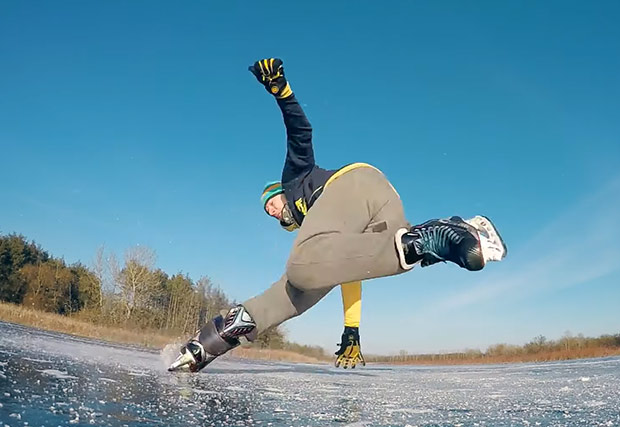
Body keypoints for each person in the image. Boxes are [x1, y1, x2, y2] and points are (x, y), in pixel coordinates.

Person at [168, 58, 507, 373]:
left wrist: (282, 92)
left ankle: (432, 235)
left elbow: (300, 135)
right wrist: (352, 329)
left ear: (280, 192)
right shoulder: (321, 231)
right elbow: (352, 267)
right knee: (291, 294)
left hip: (356, 184)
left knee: (301, 266)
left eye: (271, 201)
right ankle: (202, 350)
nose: (271, 210)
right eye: (267, 211)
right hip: (386, 214)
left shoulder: (296, 180)